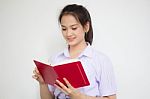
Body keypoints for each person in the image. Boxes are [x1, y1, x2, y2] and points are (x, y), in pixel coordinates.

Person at [32, 4, 117, 99]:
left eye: (74, 28)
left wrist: (79, 96)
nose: (68, 33)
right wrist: (42, 84)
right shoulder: (55, 59)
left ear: (86, 27)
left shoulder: (101, 60)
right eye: (64, 29)